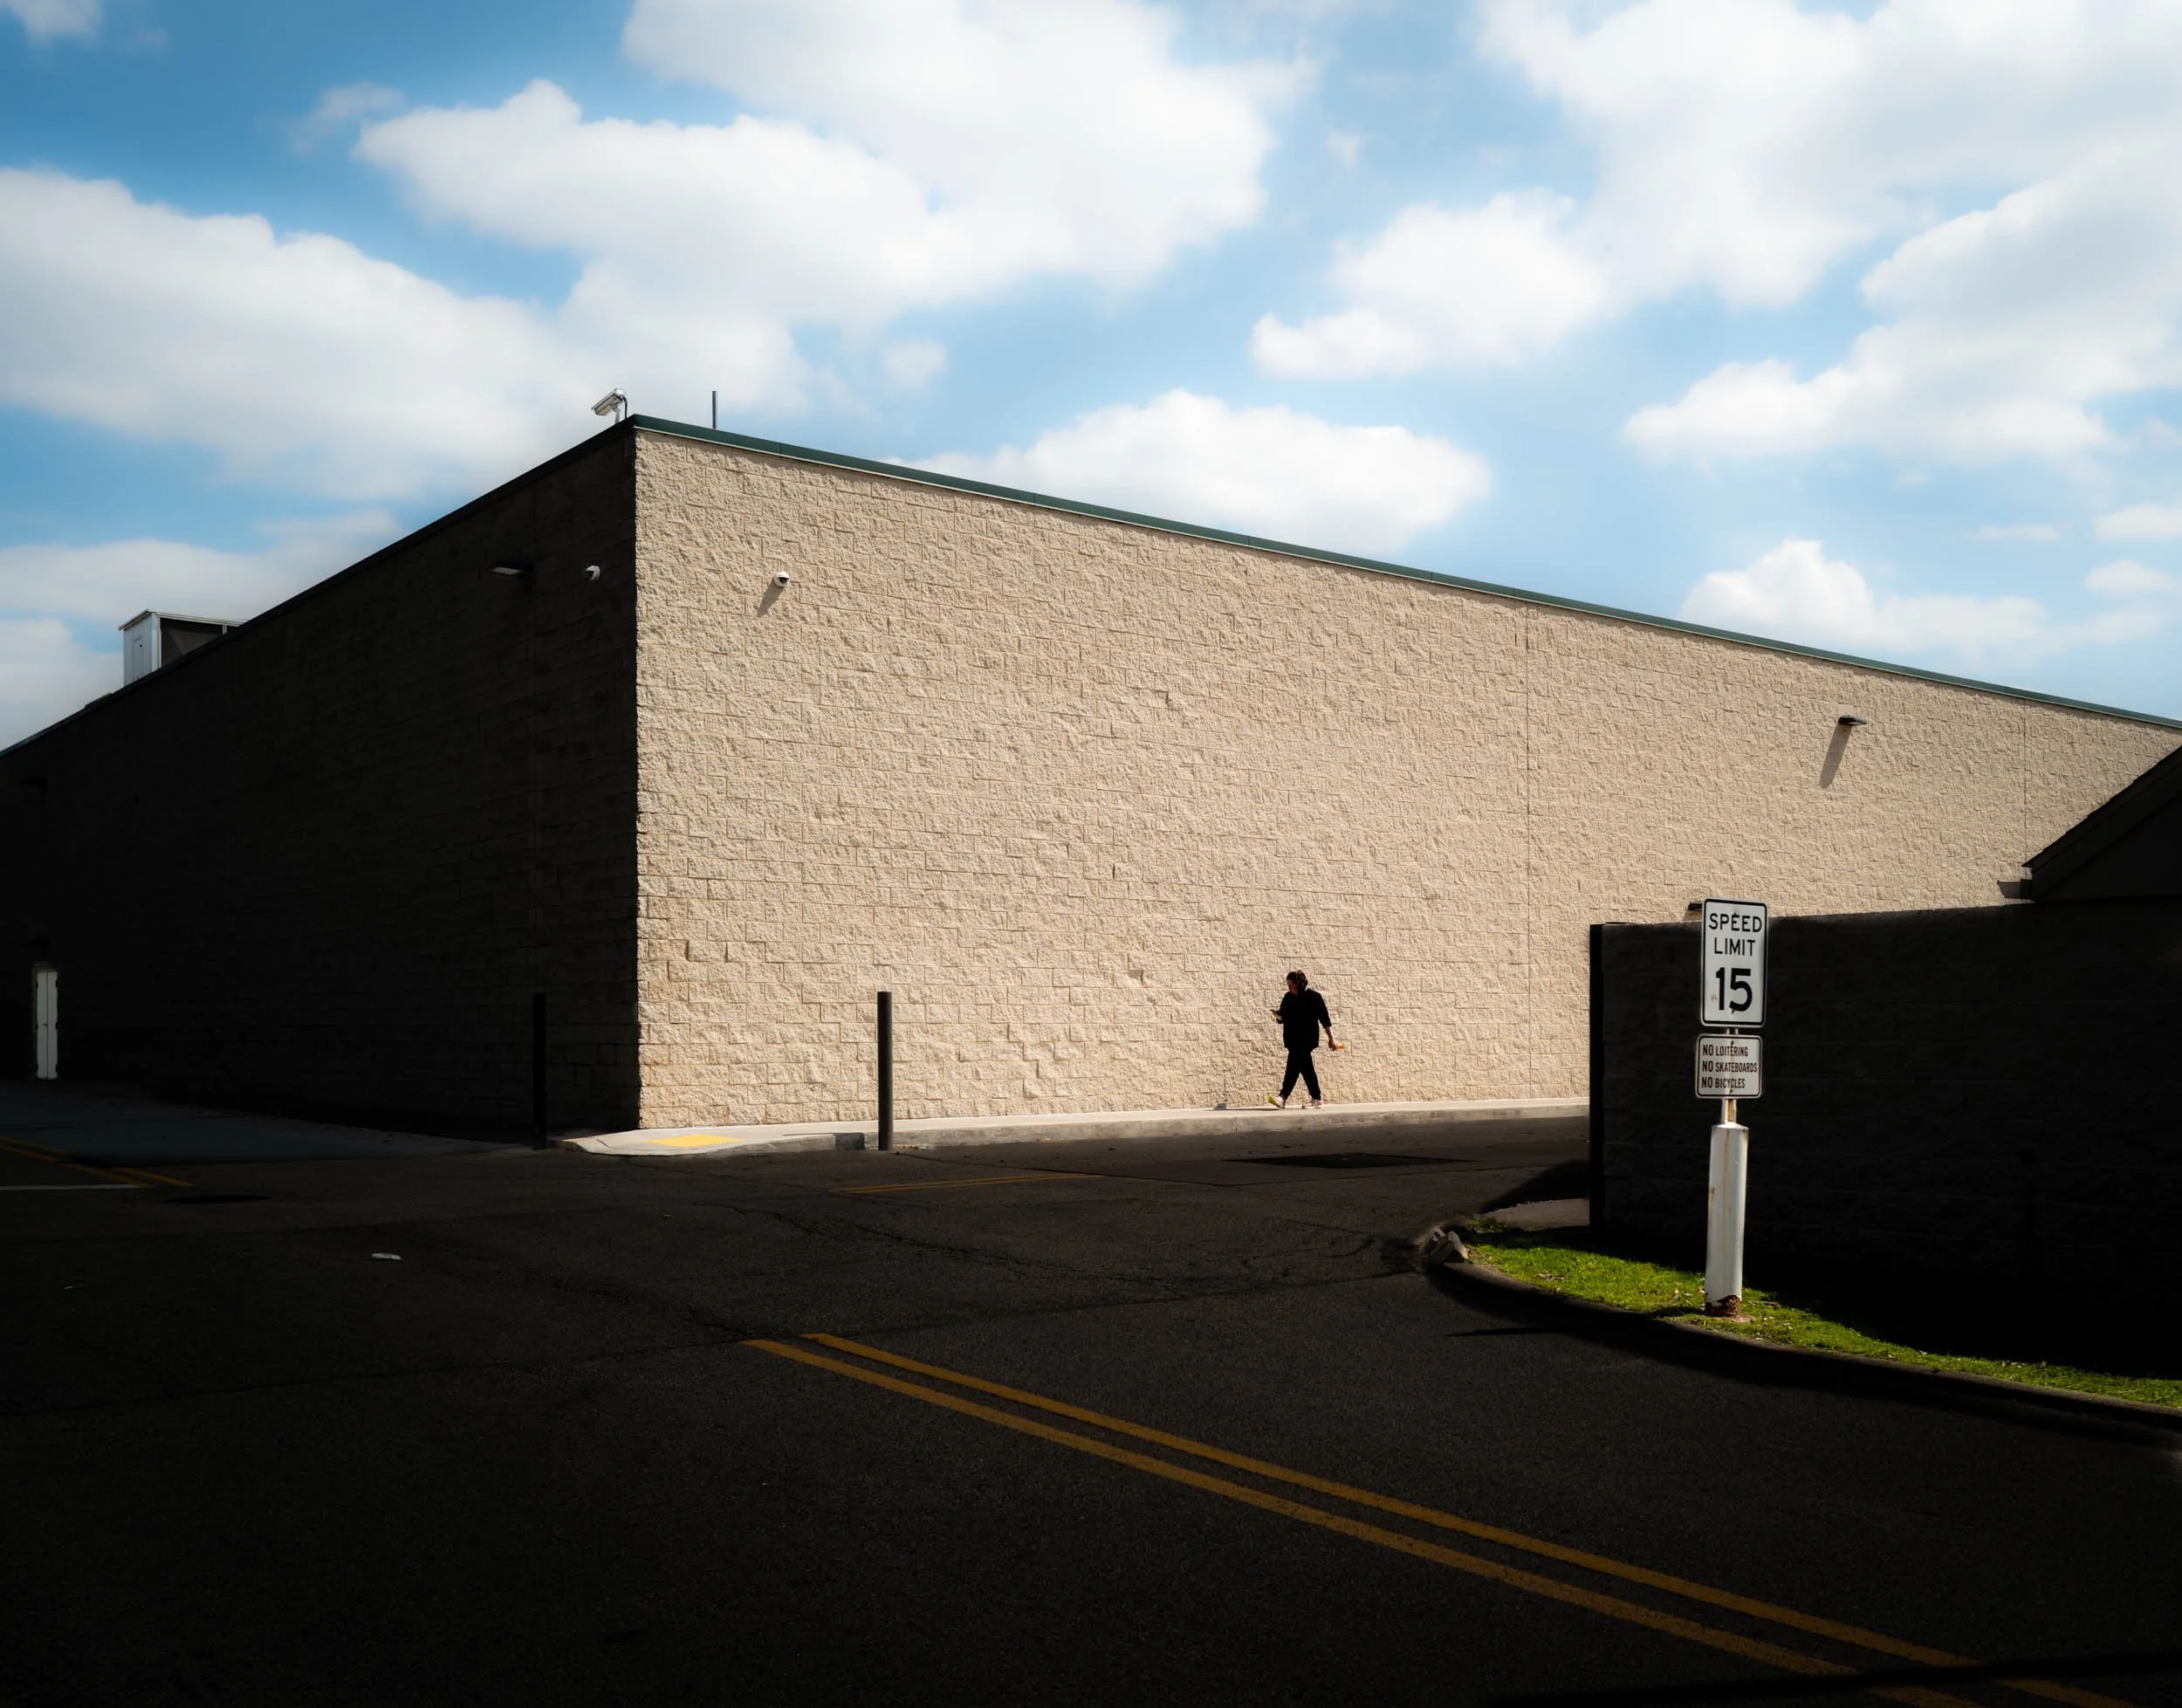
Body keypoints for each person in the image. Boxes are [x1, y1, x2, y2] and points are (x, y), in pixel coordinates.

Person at [1270, 971, 1335, 1108]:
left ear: (1298, 984)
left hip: (1307, 1039)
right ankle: (1317, 1099)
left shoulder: (1314, 997)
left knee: (1292, 1067)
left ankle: (1283, 1096)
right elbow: (1283, 1017)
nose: (1289, 989)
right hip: (1292, 1039)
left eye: (1290, 985)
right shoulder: (1288, 997)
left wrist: (1332, 1039)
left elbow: (1325, 1019)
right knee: (1306, 1068)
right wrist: (1278, 1017)